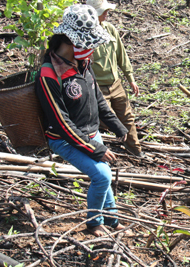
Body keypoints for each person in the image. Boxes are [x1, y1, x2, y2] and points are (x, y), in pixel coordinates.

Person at [35, 4, 129, 237]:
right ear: (70, 42)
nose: (93, 50)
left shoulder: (82, 64)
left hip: (90, 133)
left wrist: (117, 125)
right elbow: (60, 121)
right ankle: (94, 222)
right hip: (64, 139)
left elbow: (98, 99)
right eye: (89, 44)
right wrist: (93, 148)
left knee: (103, 174)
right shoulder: (49, 74)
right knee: (102, 175)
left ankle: (112, 220)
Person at [86, 0, 143, 156]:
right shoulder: (85, 35)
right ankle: (99, 151)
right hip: (97, 87)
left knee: (127, 117)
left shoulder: (110, 29)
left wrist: (130, 77)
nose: (106, 13)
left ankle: (135, 151)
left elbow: (121, 55)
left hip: (116, 84)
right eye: (103, 11)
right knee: (105, 119)